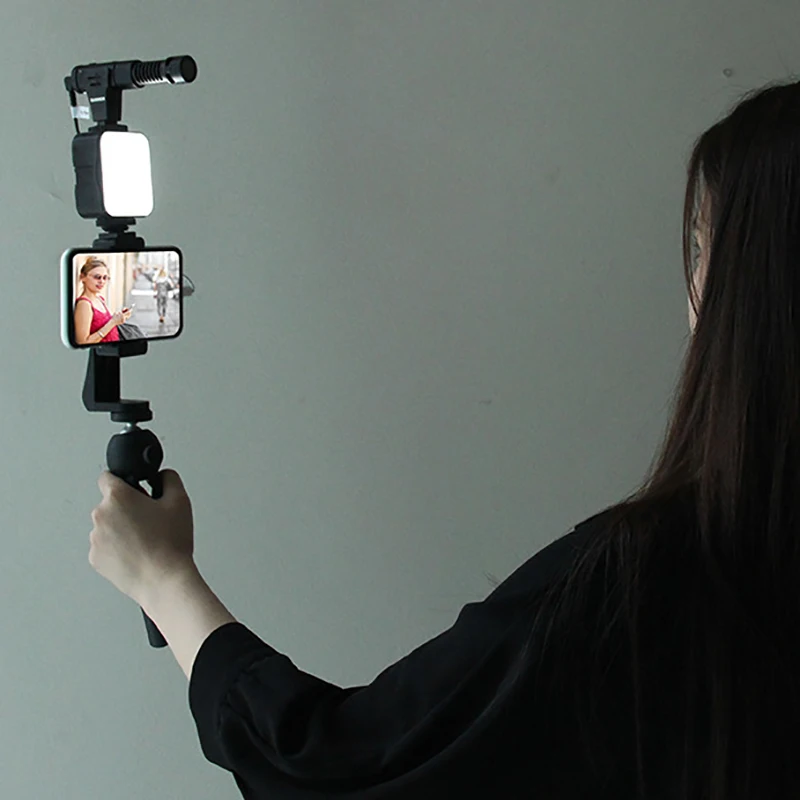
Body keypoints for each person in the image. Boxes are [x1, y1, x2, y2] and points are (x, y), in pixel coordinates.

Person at [87, 79, 800, 798]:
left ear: (749, 287)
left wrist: (164, 579)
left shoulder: (642, 589)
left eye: (704, 246)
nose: (692, 280)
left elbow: (343, 766)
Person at [74, 257, 132, 345]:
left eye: (105, 278)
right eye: (97, 277)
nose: (102, 281)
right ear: (82, 277)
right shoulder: (84, 304)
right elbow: (82, 342)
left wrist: (119, 317)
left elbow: (104, 324)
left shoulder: (100, 299)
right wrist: (113, 322)